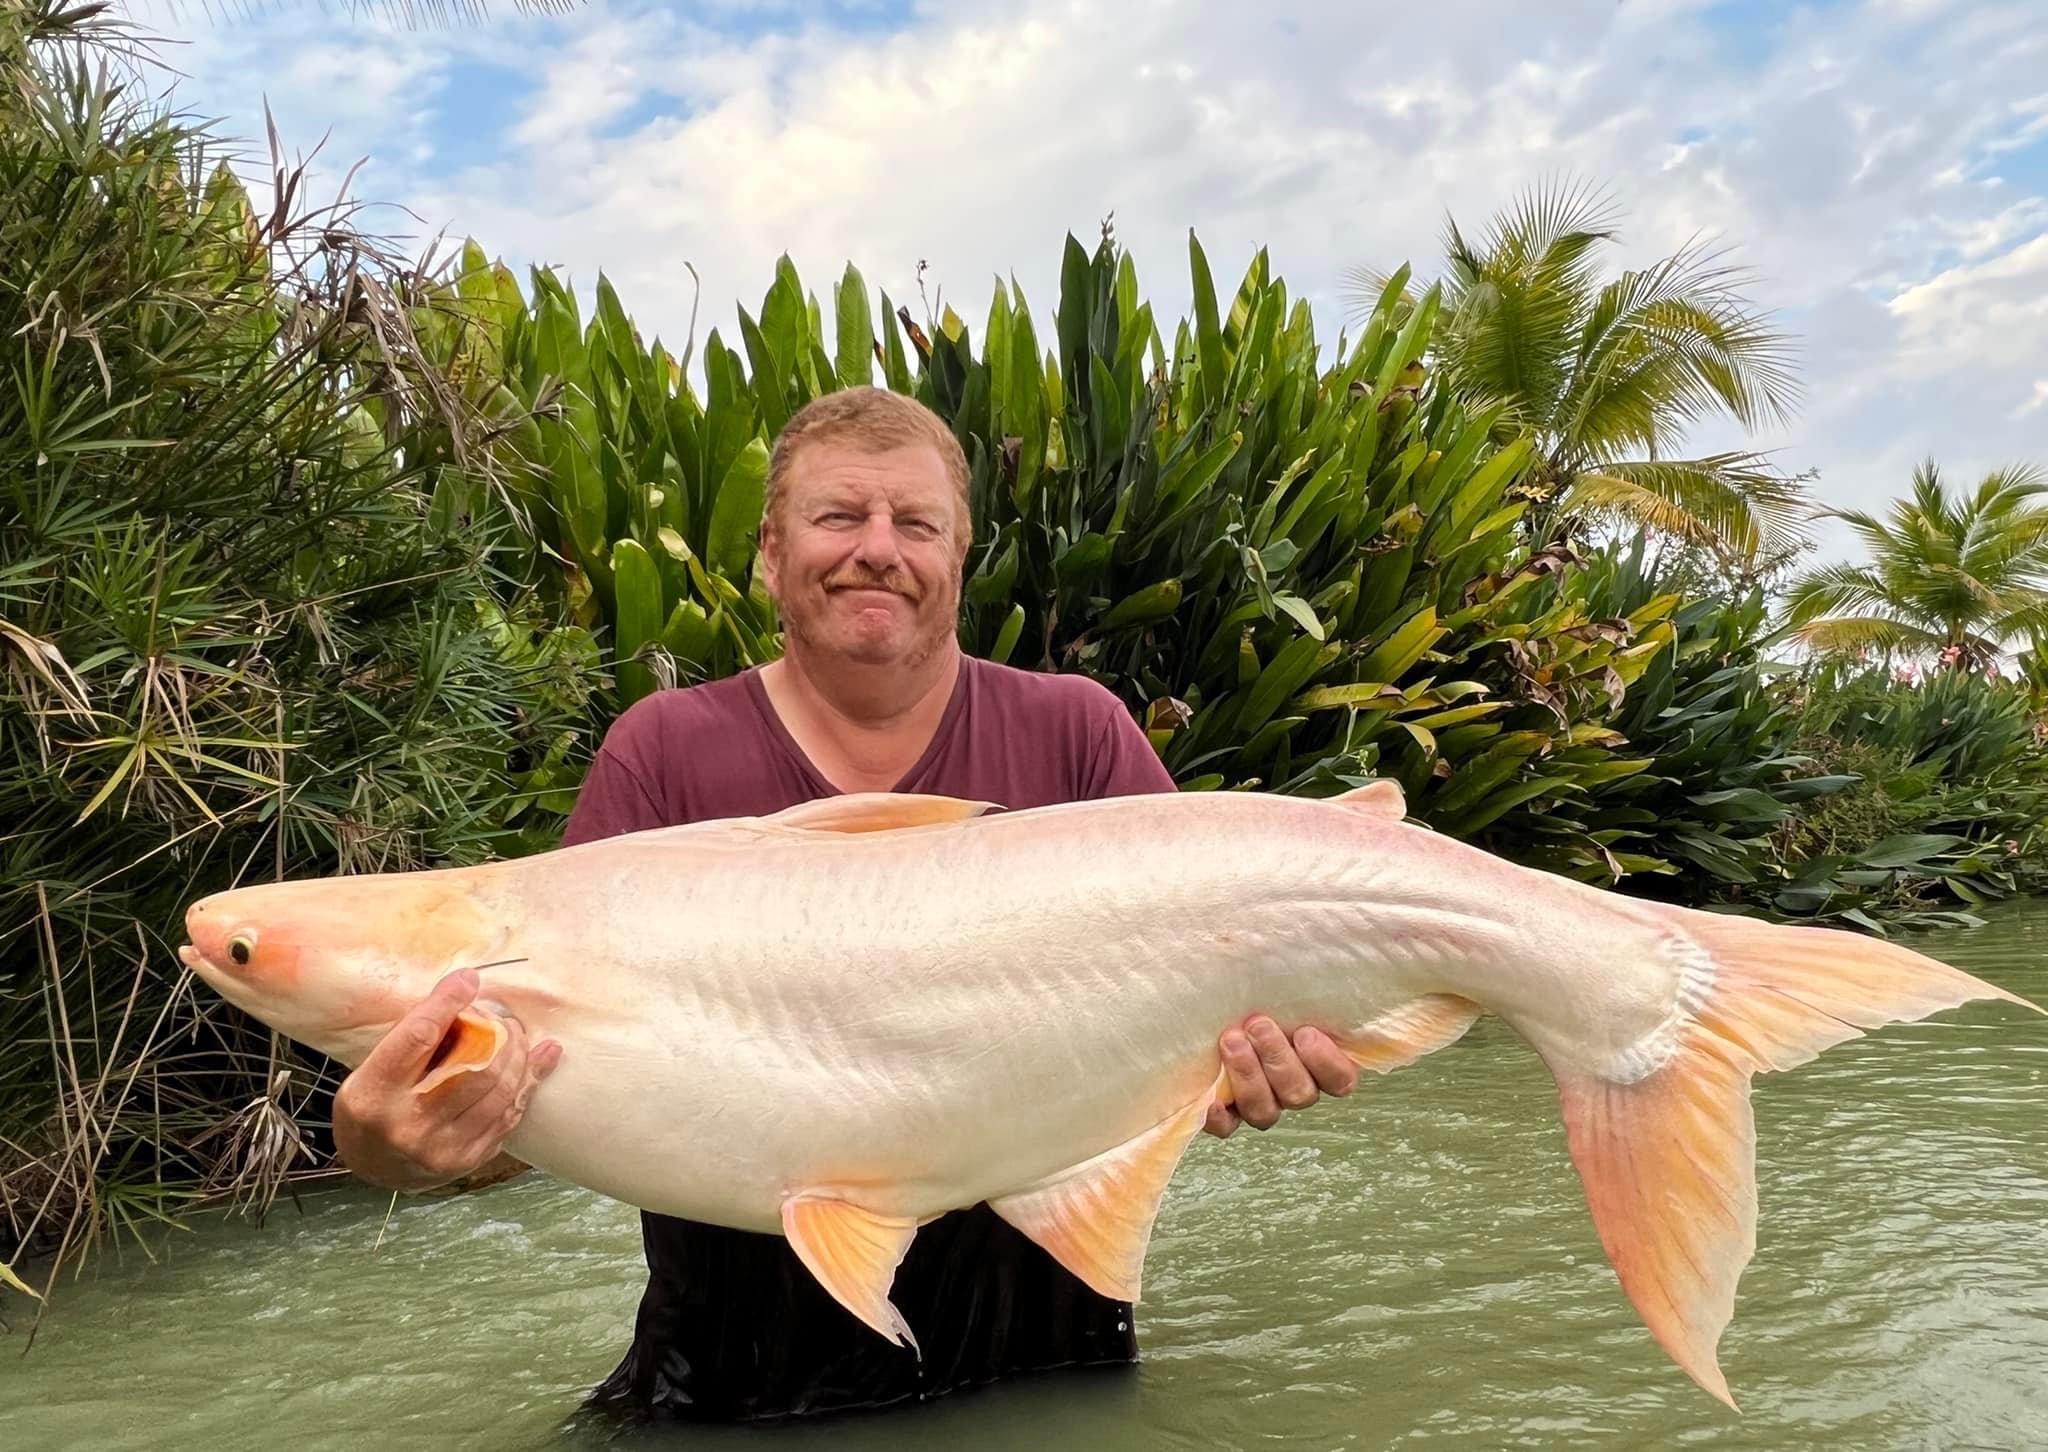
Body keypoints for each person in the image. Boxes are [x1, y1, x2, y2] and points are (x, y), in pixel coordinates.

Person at [330, 387, 1362, 1422]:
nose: (878, 549)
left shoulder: (1079, 736)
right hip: (733, 1375)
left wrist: (1242, 1073)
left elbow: (1218, 999)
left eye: (915, 524)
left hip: (1050, 1362)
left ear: (957, 554)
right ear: (770, 553)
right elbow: (553, 1090)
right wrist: (403, 1152)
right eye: (838, 518)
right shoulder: (660, 755)